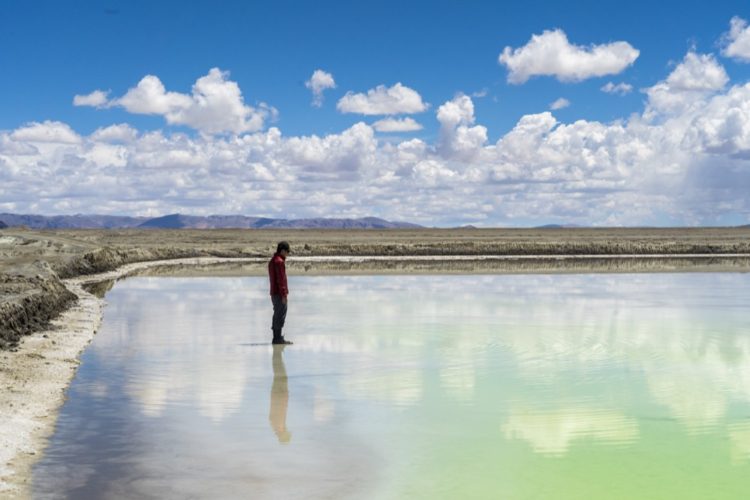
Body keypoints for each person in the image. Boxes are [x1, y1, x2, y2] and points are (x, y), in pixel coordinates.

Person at [269, 241, 293, 345]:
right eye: (287, 251)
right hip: (279, 294)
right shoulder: (279, 262)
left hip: (274, 293)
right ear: (282, 251)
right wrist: (284, 294)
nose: (287, 254)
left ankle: (277, 337)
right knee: (280, 314)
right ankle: (277, 338)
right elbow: (281, 280)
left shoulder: (273, 260)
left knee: (277, 314)